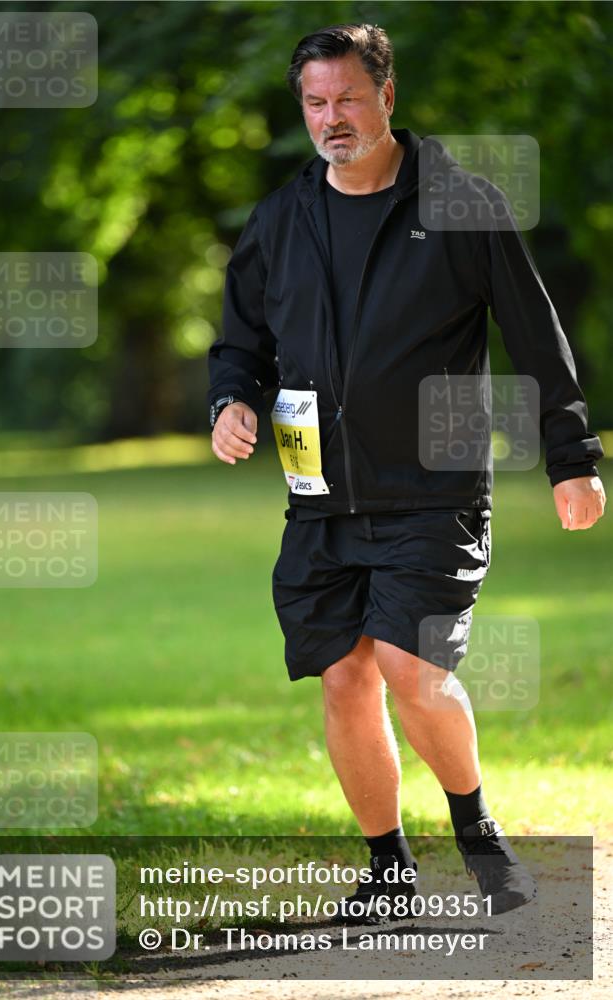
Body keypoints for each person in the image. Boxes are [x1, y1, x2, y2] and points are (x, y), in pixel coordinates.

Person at [207, 23, 606, 921]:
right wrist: (230, 401)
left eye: (348, 98)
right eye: (315, 103)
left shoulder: (462, 207)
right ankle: (387, 873)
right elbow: (239, 341)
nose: (331, 118)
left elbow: (535, 337)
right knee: (342, 676)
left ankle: (479, 835)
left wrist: (570, 458)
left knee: (407, 662)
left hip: (434, 488)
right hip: (321, 494)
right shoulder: (281, 219)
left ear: (386, 97)